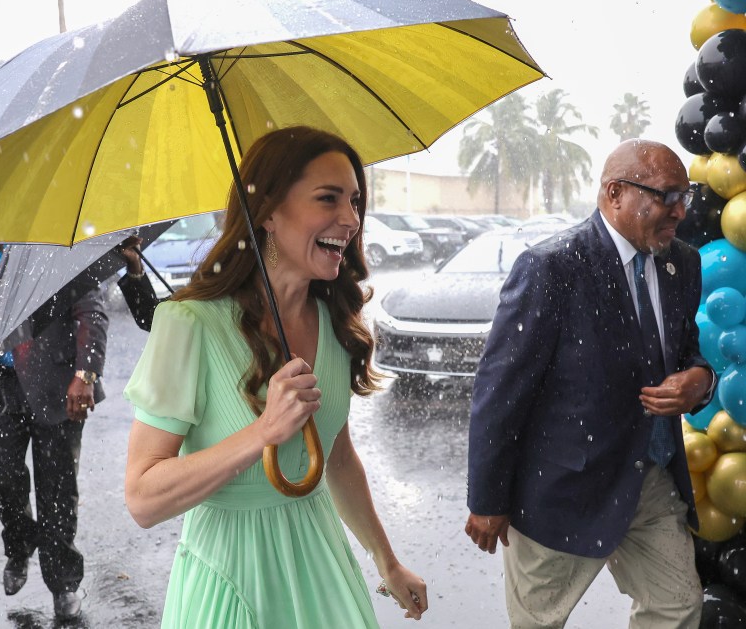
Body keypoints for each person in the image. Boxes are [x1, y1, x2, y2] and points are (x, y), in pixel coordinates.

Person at [123, 126, 428, 627]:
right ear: (266, 212)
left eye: (355, 200)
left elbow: (337, 456)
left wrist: (386, 561)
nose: (351, 219)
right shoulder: (189, 325)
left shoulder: (334, 322)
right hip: (231, 578)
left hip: (320, 566)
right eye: (328, 199)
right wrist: (262, 433)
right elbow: (142, 497)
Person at [464, 139, 717, 627]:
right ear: (615, 193)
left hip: (652, 479)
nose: (680, 211)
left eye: (686, 196)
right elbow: (500, 391)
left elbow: (688, 352)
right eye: (668, 195)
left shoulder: (682, 263)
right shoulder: (551, 267)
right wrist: (487, 500)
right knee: (539, 621)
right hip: (562, 489)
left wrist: (700, 380)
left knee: (678, 608)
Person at [0, 237, 156, 620]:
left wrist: (85, 374)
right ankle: (19, 544)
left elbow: (91, 309)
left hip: (57, 380)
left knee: (57, 487)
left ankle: (63, 581)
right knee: (2, 479)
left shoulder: (57, 240)